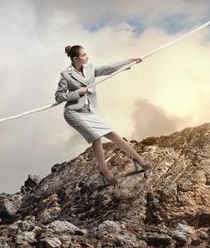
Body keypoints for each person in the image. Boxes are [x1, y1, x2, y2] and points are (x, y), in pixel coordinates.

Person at [55, 45, 151, 186]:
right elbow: (58, 97)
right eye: (84, 55)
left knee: (112, 134)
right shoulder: (66, 75)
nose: (87, 57)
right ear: (75, 58)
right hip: (73, 113)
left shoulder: (89, 68)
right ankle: (104, 171)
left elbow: (107, 68)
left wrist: (128, 61)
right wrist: (76, 93)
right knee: (96, 138)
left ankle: (139, 160)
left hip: (87, 111)